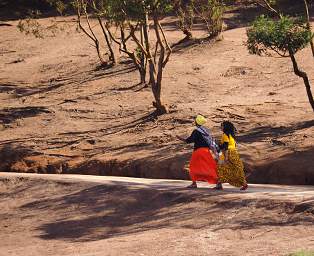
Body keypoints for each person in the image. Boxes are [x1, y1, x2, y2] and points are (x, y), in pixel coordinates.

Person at [177, 115, 219, 188]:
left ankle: (194, 183)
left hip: (198, 151)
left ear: (196, 122)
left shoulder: (196, 131)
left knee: (193, 166)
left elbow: (189, 140)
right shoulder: (206, 131)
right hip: (207, 151)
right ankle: (219, 183)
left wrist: (180, 138)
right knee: (210, 166)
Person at [215, 121, 248, 191]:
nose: (221, 127)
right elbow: (233, 145)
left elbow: (225, 146)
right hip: (234, 153)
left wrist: (225, 155)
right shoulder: (232, 135)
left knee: (221, 168)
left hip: (227, 153)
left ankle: (219, 184)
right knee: (236, 168)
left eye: (222, 126)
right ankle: (244, 183)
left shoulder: (225, 135)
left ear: (225, 127)